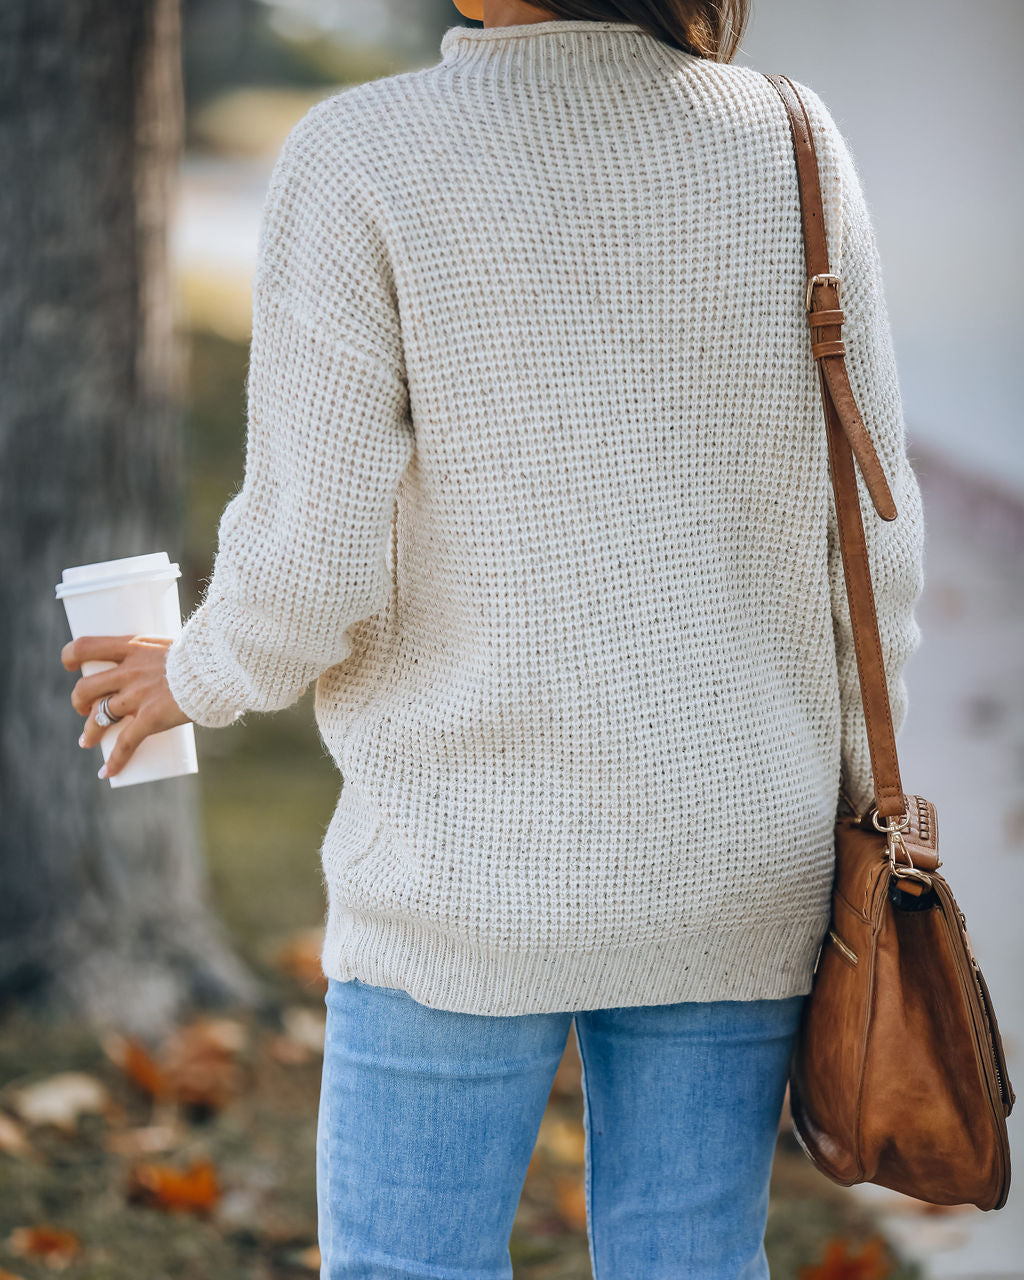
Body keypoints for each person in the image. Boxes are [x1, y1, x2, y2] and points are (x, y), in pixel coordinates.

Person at [61, 0, 926, 1274]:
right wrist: (849, 793)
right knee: (693, 1257)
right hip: (744, 839)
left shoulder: (363, 152)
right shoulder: (790, 138)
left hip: (463, 860)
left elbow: (317, 543)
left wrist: (198, 671)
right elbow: (875, 535)